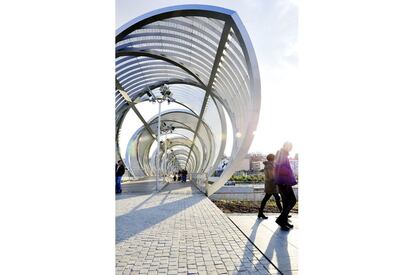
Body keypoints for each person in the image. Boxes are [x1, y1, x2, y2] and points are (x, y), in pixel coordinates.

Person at [274, 142, 297, 231]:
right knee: (292, 200)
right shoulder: (281, 154)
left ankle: (284, 220)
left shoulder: (283, 154)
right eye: (288, 146)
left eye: (291, 147)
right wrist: (289, 171)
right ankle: (281, 220)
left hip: (284, 181)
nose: (290, 148)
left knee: (286, 202)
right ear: (284, 146)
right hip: (284, 182)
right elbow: (279, 168)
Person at [258, 154, 283, 219]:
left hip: (270, 185)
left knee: (267, 198)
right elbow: (271, 176)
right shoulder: (270, 166)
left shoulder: (269, 165)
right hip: (272, 185)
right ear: (273, 158)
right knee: (276, 198)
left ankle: (260, 213)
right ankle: (283, 213)